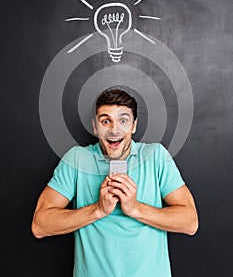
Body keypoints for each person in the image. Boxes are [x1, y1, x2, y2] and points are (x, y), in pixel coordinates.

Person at [32, 88, 198, 277]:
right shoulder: (77, 159)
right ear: (95, 127)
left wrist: (135, 208)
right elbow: (40, 225)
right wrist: (98, 209)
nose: (114, 129)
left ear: (134, 125)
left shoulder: (156, 156)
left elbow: (190, 222)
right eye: (105, 121)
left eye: (123, 120)